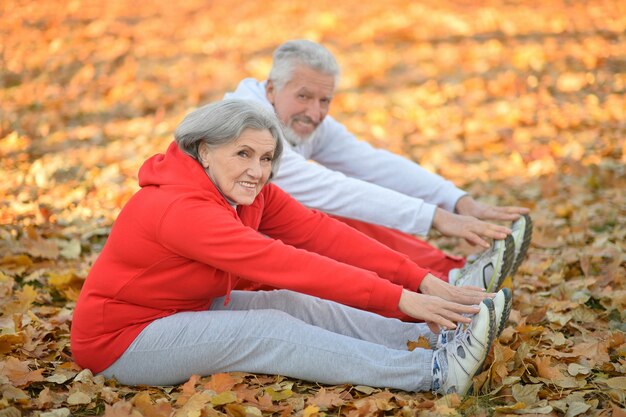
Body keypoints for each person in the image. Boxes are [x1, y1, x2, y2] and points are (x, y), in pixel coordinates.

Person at [71, 99, 512, 396]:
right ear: (204, 151)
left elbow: (324, 234)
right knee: (266, 329)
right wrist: (400, 298)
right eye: (242, 154)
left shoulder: (247, 190)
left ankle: (430, 340)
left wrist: (420, 279)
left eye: (265, 159)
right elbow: (286, 262)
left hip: (186, 308)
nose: (256, 171)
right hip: (121, 340)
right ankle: (432, 374)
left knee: (294, 303)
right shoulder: (180, 209)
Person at [224, 40, 532, 293]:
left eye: (324, 101)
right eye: (303, 96)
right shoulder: (249, 126)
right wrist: (437, 218)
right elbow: (329, 190)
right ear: (271, 89)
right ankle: (436, 288)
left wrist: (458, 201)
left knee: (346, 209)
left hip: (261, 240)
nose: (314, 113)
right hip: (232, 266)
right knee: (329, 213)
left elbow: (374, 165)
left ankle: (450, 273)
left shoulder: (302, 120)